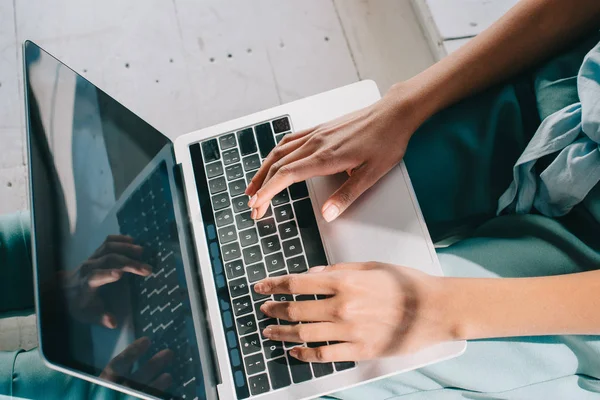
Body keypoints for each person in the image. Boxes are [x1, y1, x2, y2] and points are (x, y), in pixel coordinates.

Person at [1, 0, 599, 399]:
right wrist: (406, 103)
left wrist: (437, 309)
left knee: (203, 370)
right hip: (553, 112)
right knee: (168, 216)